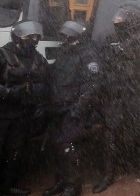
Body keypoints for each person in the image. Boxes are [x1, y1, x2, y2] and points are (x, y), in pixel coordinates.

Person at [94, 4, 140, 192]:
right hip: (116, 93)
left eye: (121, 21)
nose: (117, 23)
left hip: (139, 94)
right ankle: (108, 174)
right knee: (110, 134)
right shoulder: (111, 40)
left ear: (132, 22)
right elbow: (104, 66)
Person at [43, 20, 101, 196]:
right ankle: (60, 181)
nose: (65, 38)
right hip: (57, 108)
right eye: (64, 36)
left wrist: (78, 110)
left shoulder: (88, 55)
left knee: (69, 148)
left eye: (69, 36)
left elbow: (92, 86)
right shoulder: (64, 52)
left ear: (79, 37)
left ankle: (72, 186)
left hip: (73, 109)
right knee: (56, 147)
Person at [0, 21, 49, 196]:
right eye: (28, 36)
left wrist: (43, 103)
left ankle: (7, 186)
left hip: (24, 114)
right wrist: (9, 93)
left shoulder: (38, 59)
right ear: (17, 37)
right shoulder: (3, 55)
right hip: (3, 113)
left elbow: (47, 83)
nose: (33, 40)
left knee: (15, 151)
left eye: (36, 37)